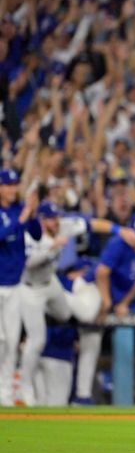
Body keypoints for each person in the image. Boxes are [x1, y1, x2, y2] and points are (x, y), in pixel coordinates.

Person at [18, 201, 135, 405]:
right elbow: (28, 263)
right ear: (41, 219)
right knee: (36, 340)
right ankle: (24, 389)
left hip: (51, 283)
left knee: (66, 315)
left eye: (56, 217)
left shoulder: (63, 225)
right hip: (30, 289)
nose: (55, 222)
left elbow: (92, 224)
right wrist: (50, 249)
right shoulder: (30, 235)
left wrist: (120, 230)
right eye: (50, 218)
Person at [70, 214, 135, 405]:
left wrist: (123, 303)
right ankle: (60, 297)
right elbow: (101, 272)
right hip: (90, 288)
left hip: (106, 297)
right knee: (89, 314)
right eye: (131, 231)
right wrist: (107, 302)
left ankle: (82, 396)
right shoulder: (118, 243)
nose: (133, 236)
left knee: (92, 343)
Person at [0, 168, 40, 406]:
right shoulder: (11, 213)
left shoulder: (18, 210)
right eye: (8, 185)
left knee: (13, 340)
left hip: (14, 285)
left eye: (15, 184)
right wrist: (23, 217)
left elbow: (35, 234)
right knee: (0, 340)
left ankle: (4, 392)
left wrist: (32, 214)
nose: (13, 189)